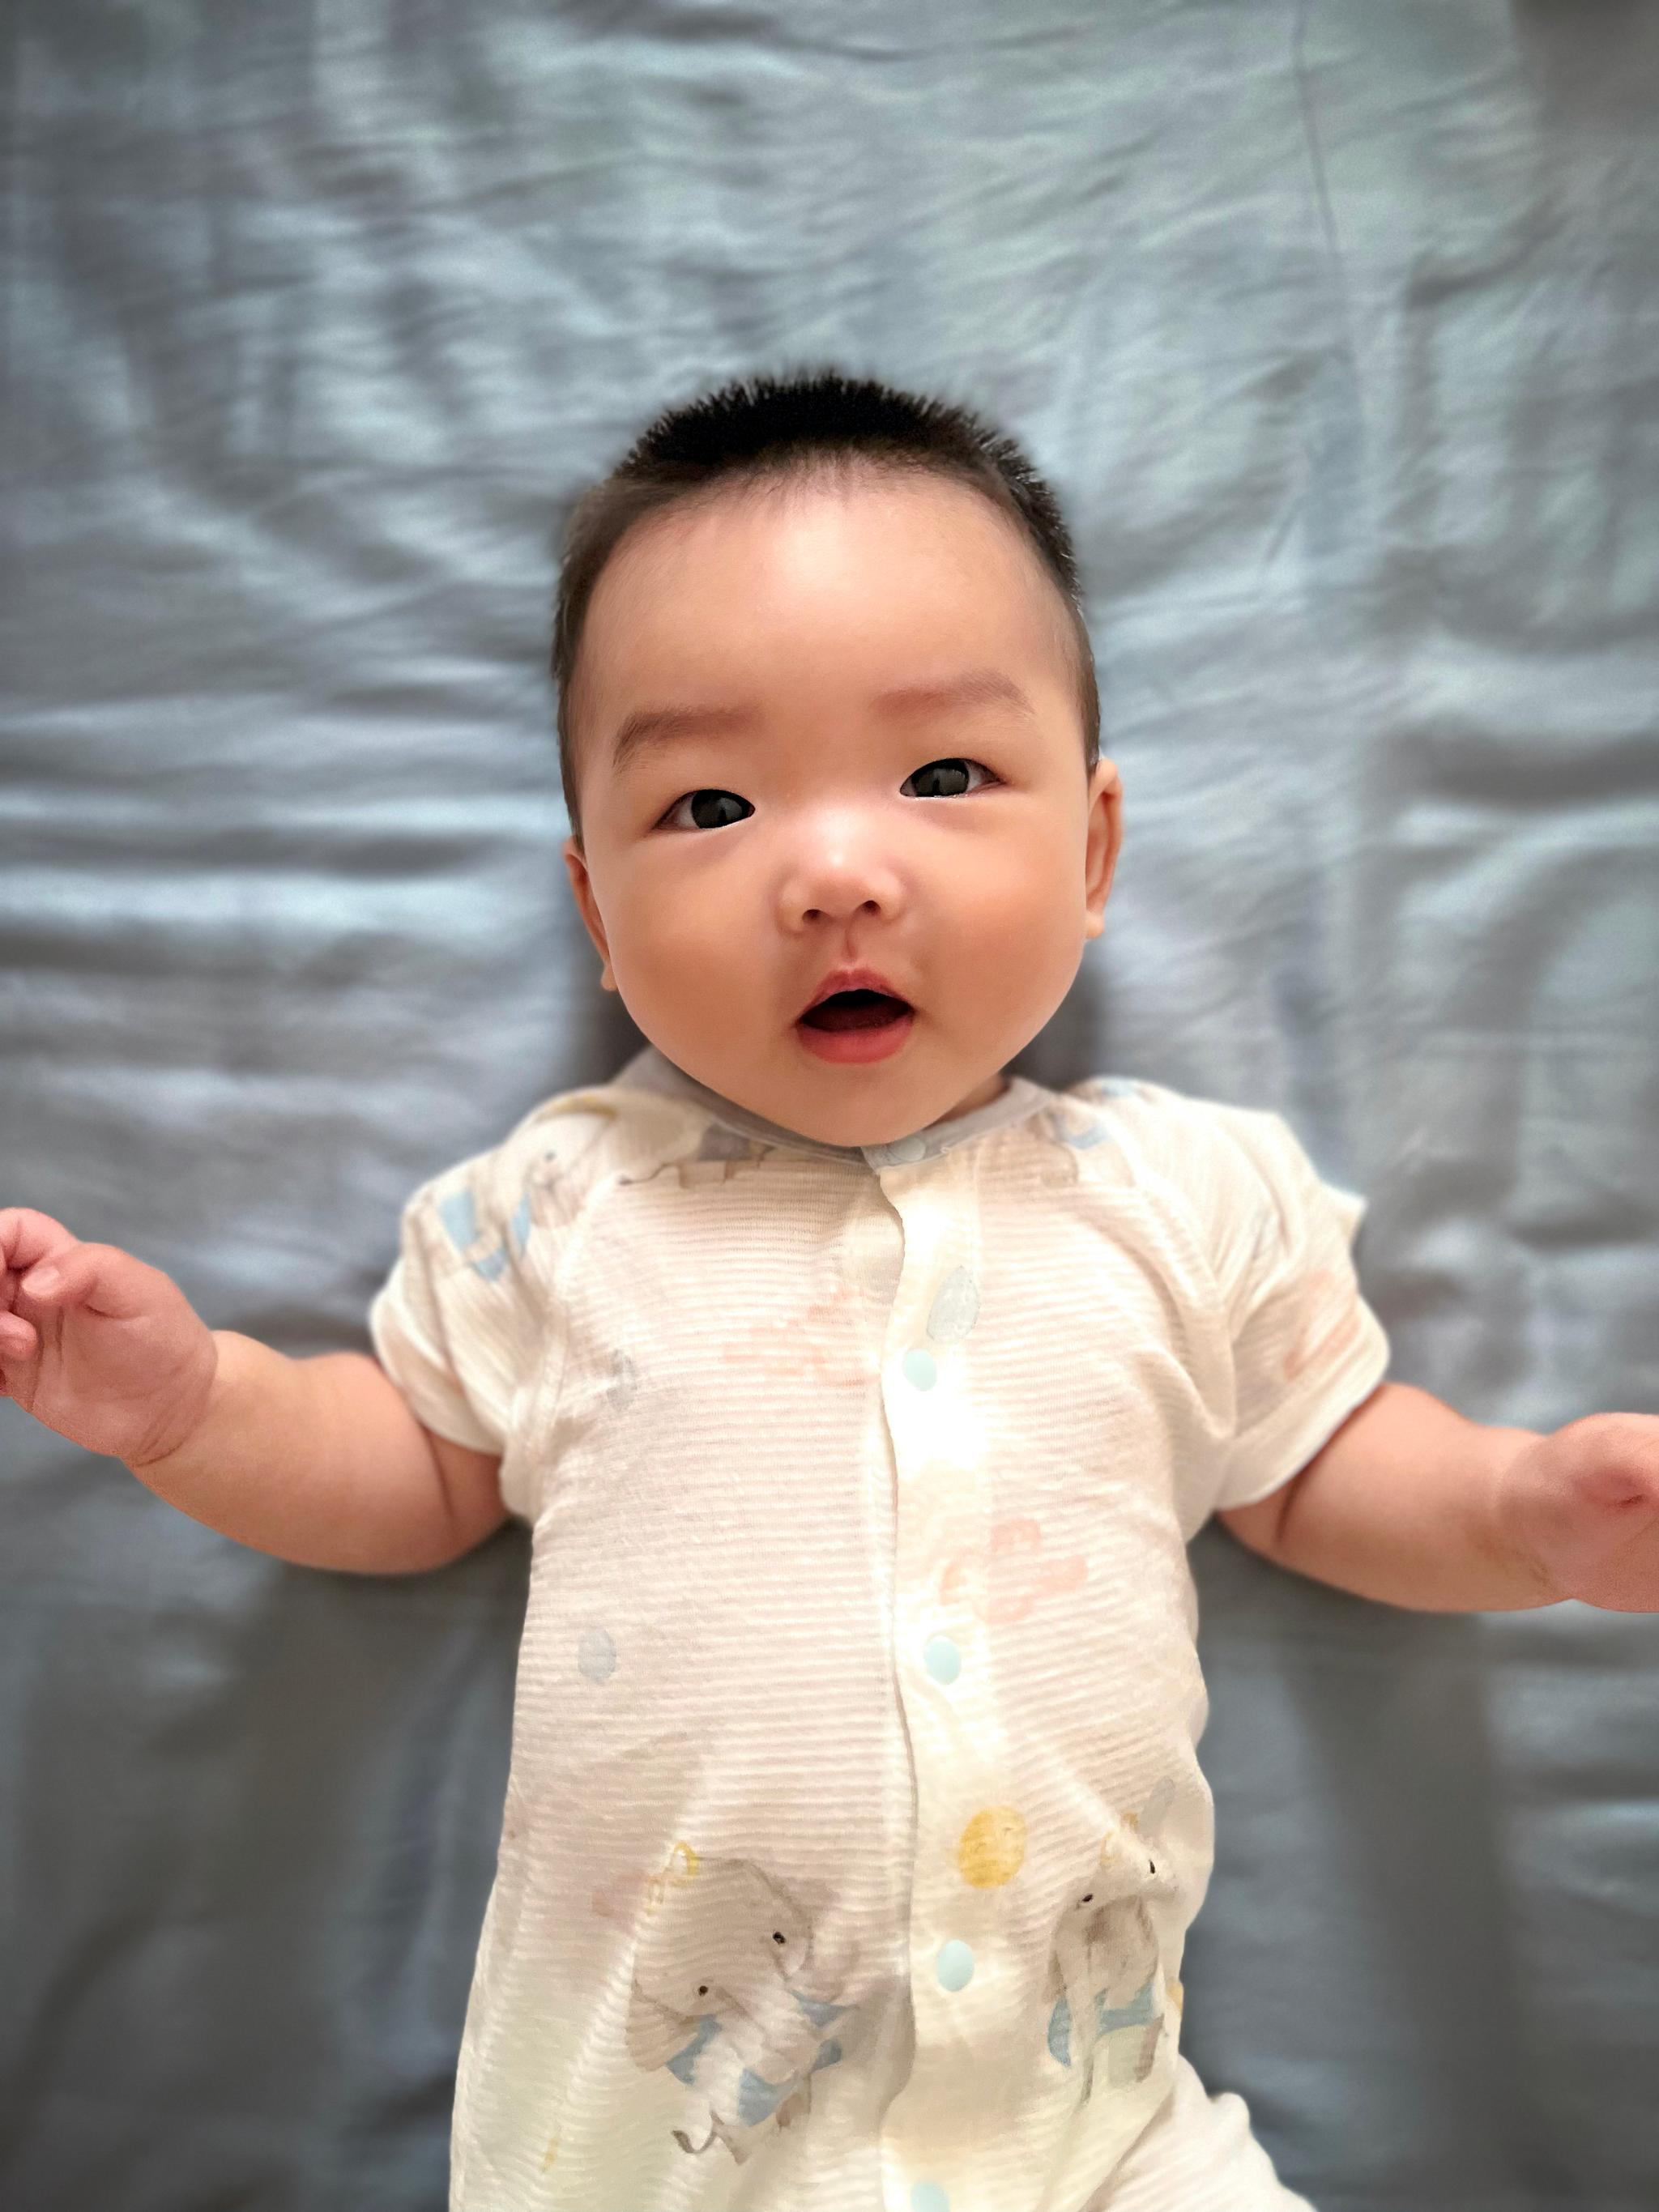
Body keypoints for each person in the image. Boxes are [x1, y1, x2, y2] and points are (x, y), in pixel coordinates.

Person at [3, 366, 1655, 2212]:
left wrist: (1524, 1516)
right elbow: (408, 1467)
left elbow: (1320, 1462)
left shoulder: (1180, 1194)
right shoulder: (556, 1205)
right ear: (597, 920)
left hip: (1099, 2141)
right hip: (642, 2156)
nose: (835, 872)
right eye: (708, 803)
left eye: (944, 776)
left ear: (1093, 846)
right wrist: (196, 1407)